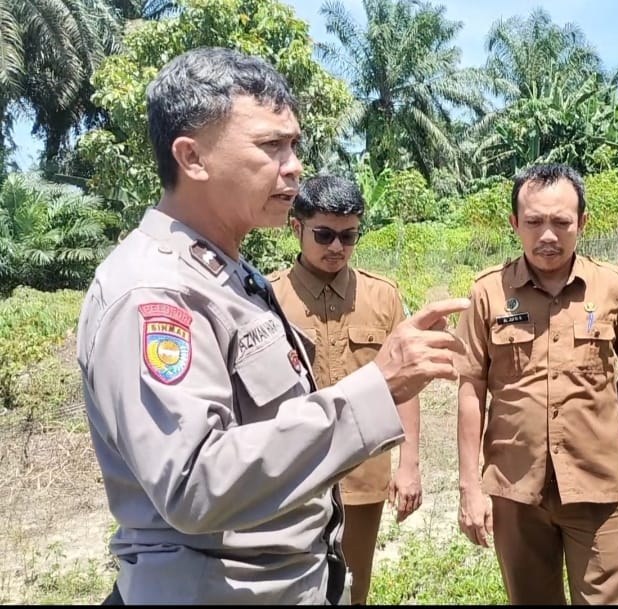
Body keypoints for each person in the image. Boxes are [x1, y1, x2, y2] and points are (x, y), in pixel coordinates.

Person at [76, 47, 468, 605]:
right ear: (192, 158)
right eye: (270, 145)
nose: (295, 165)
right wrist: (374, 389)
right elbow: (194, 484)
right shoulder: (155, 294)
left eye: (294, 144)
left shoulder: (228, 274)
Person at [454, 162, 618, 605]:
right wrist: (470, 487)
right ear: (514, 224)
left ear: (582, 223)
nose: (548, 235)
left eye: (561, 222)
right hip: (515, 488)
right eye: (534, 222)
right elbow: (471, 389)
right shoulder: (488, 293)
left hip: (594, 483)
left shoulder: (612, 288)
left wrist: (601, 410)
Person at [268, 175, 423, 605]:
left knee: (353, 586)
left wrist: (408, 463)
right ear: (296, 228)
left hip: (362, 473)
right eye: (324, 234)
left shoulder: (382, 296)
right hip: (291, 475)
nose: (337, 247)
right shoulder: (267, 297)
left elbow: (406, 385)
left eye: (349, 236)